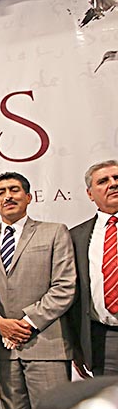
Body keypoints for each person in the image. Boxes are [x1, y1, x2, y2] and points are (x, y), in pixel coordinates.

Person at [0, 172, 76, 409]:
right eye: (1, 192)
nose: (8, 196)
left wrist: (27, 322)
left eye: (14, 190)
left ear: (29, 197)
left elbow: (64, 287)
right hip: (4, 347)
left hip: (46, 345)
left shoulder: (55, 232)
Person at [67, 159, 118, 376]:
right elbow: (72, 295)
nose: (113, 184)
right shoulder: (75, 237)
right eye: (103, 181)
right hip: (103, 340)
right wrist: (76, 347)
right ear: (90, 194)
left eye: (116, 178)